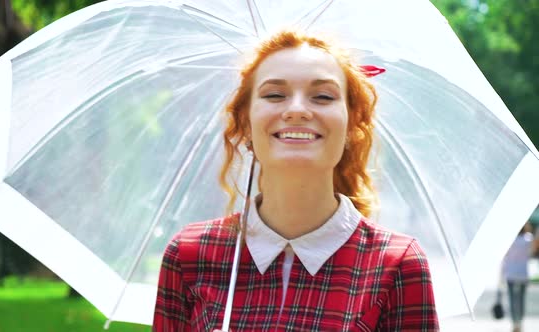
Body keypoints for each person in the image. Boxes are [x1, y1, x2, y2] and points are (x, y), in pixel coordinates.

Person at [153, 30, 439, 331]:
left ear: (352, 123)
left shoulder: (397, 264)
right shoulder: (189, 254)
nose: (298, 110)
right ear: (246, 122)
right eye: (275, 94)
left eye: (323, 96)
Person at [502, 223, 534, 332]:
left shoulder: (508, 239)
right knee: (521, 300)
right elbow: (534, 247)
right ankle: (520, 322)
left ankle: (515, 323)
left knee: (512, 300)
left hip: (511, 274)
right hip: (522, 274)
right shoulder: (528, 238)